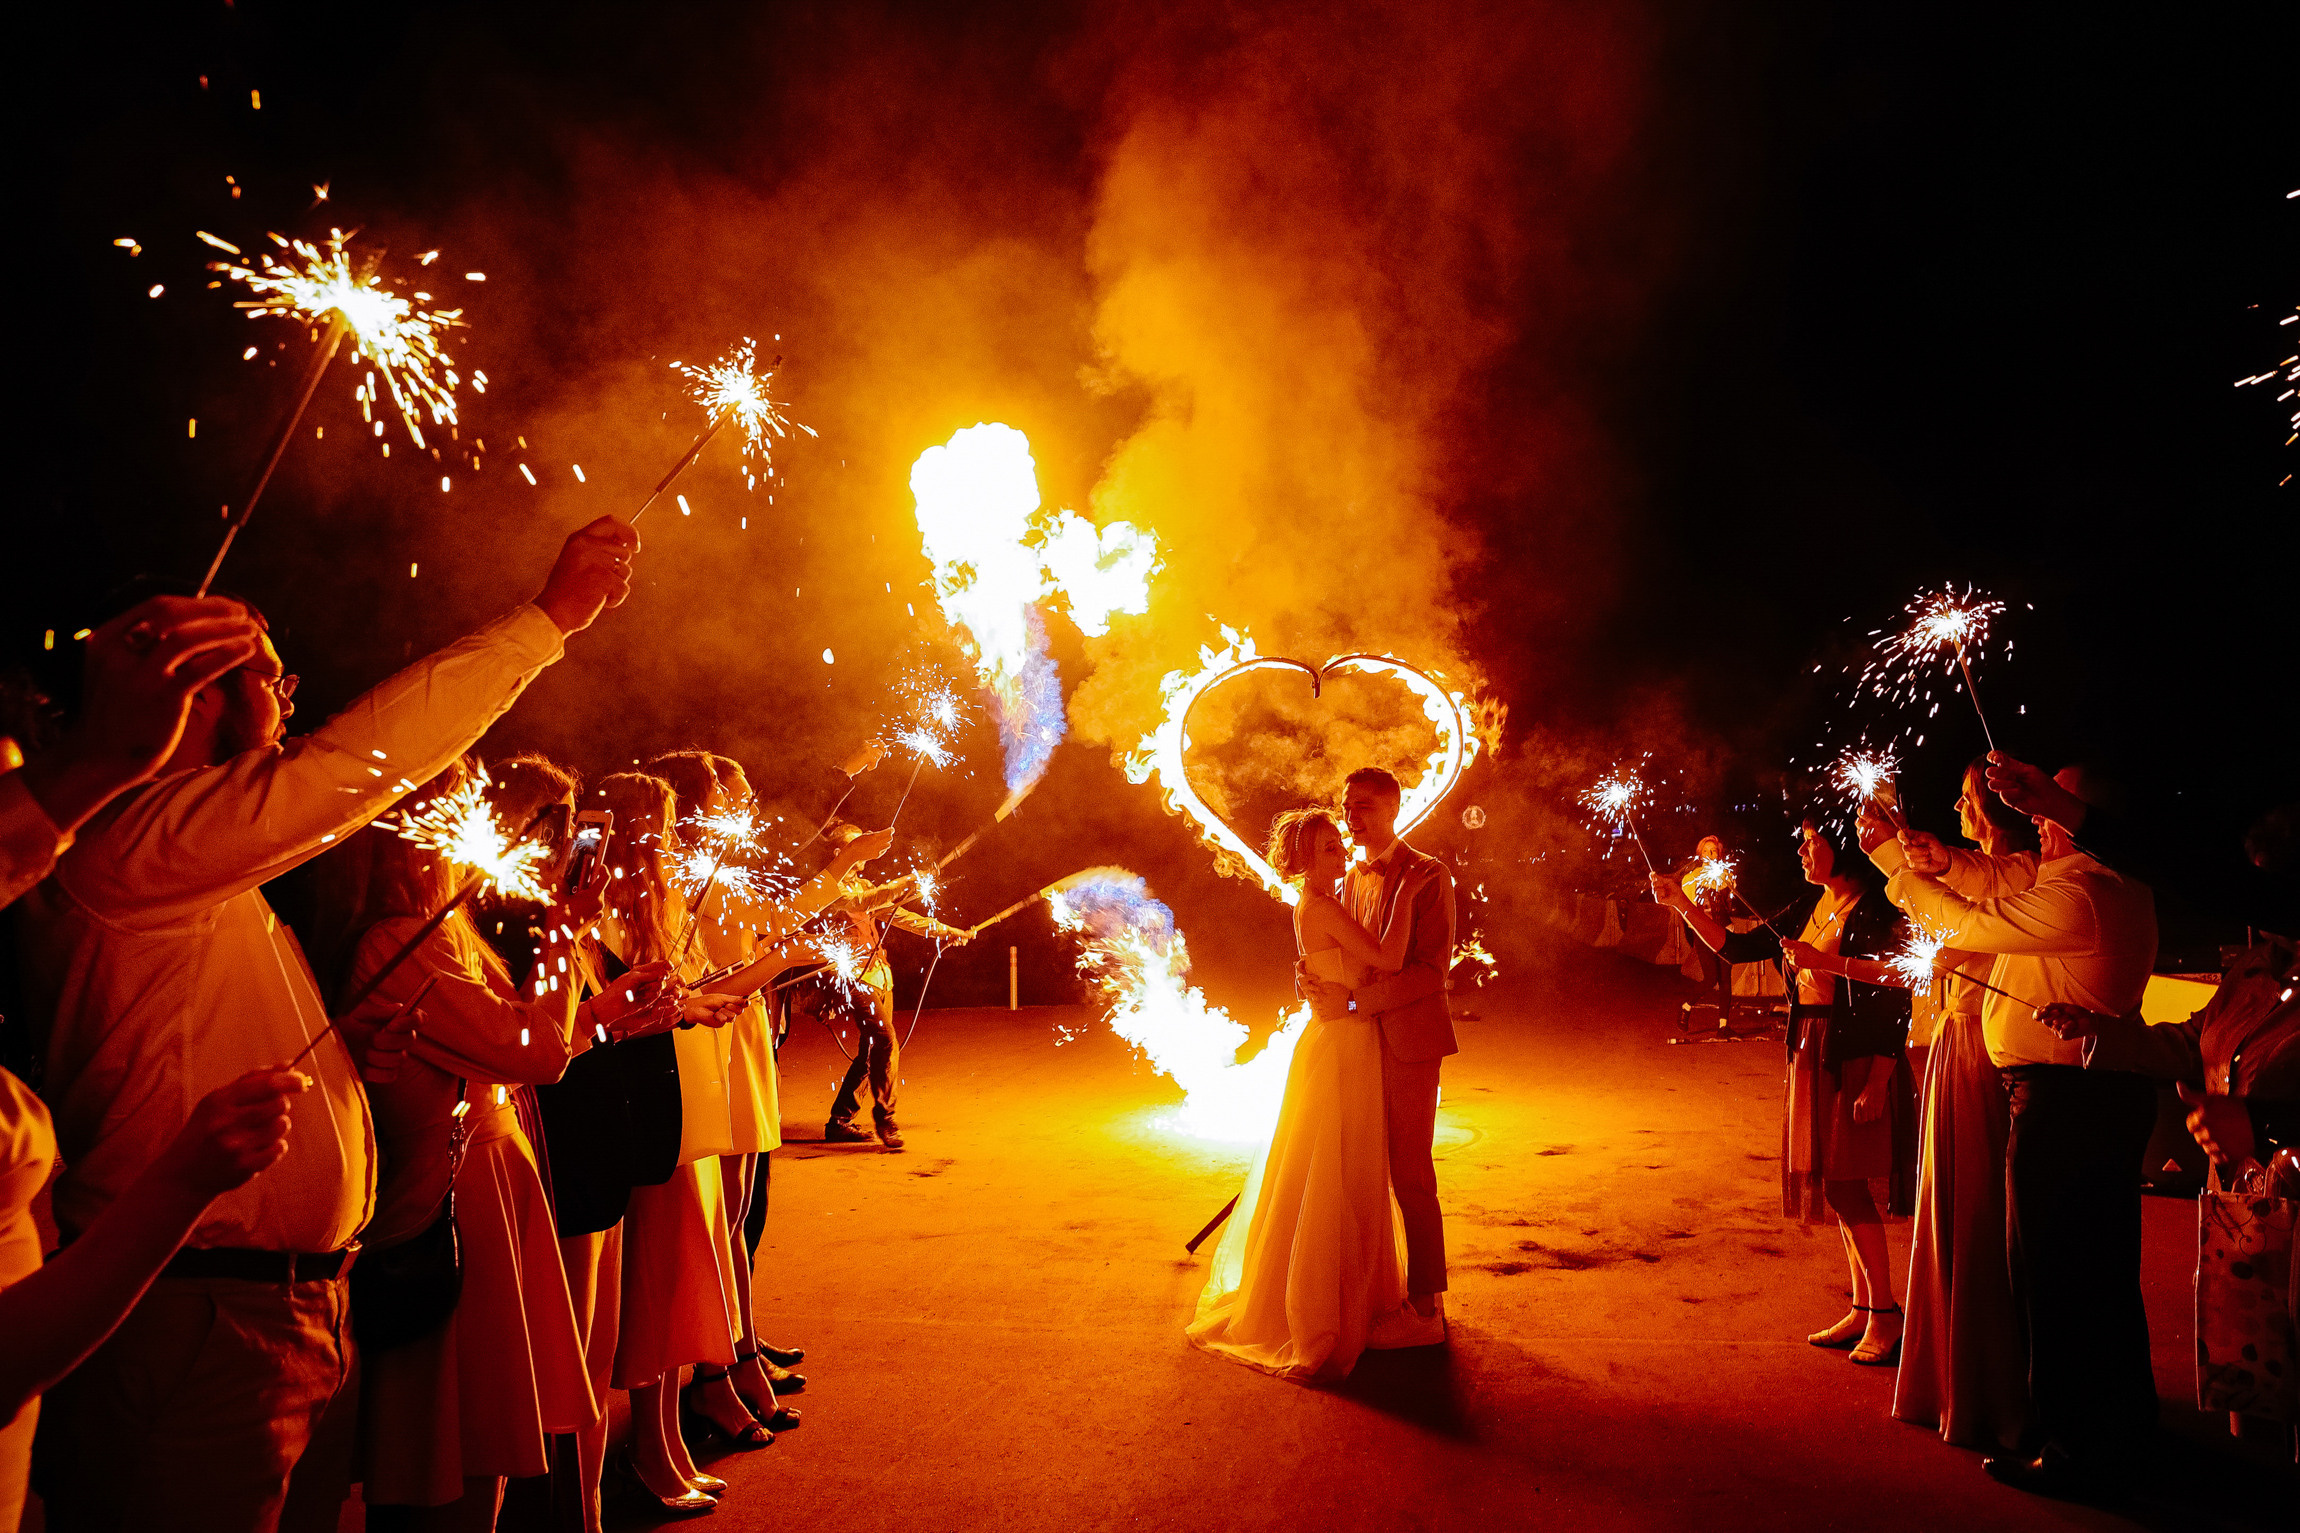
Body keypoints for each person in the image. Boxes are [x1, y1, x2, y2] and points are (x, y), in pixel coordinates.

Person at [17, 518, 638, 1533]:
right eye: (268, 670)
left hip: (277, 1310)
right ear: (190, 685)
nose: (291, 693)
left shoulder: (196, 868)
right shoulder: (132, 843)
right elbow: (350, 767)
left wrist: (356, 1070)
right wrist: (547, 620)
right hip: (198, 1315)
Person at [310, 758, 605, 1530]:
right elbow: (535, 1050)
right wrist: (566, 926)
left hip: (491, 1196)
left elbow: (541, 1040)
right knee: (445, 1457)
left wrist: (608, 1016)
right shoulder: (399, 945)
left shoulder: (451, 931)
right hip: (452, 1211)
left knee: (481, 1449)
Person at [1871, 764, 2159, 1495]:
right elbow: (2006, 876)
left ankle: (2073, 1451)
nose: (2033, 817)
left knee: (2059, 1282)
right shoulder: (2098, 877)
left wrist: (1894, 868)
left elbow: (1965, 921)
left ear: (2082, 817)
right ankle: (2118, 1433)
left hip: (2067, 1102)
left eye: (2053, 804)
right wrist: (1943, 860)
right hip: (2082, 1096)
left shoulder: (2084, 893)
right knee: (2096, 1282)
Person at [646, 754, 891, 1444]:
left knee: (734, 1225)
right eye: (737, 793)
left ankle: (741, 1349)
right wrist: (828, 893)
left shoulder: (717, 871)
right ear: (703, 802)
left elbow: (773, 925)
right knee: (714, 1231)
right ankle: (719, 1369)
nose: (749, 806)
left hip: (742, 1039)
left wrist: (809, 936)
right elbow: (758, 934)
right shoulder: (689, 879)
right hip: (711, 1049)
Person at [1655, 819, 1917, 1366]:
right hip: (1813, 1047)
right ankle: (1865, 1306)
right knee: (1834, 1184)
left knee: (1848, 1184)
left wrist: (1879, 1078)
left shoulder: (1876, 906)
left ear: (1841, 850)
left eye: (1813, 840)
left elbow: (1899, 985)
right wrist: (1681, 902)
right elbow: (1736, 947)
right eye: (1800, 838)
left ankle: (1888, 1314)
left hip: (1855, 1053)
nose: (1801, 849)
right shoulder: (1810, 903)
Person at [1189, 807, 1430, 1378]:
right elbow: (1389, 958)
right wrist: (1408, 895)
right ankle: (1317, 1305)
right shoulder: (1320, 905)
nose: (1340, 854)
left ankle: (1347, 1292)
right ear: (1303, 859)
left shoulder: (1331, 898)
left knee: (1340, 1167)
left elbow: (1342, 960)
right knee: (1329, 1169)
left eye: (1337, 844)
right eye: (1327, 849)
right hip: (1341, 1044)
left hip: (1343, 1037)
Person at [1860, 758, 2035, 1454]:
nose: (1959, 811)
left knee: (1977, 1218)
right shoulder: (1982, 871)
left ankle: (1989, 1385)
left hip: (1980, 1054)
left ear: (1996, 809)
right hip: (1955, 1046)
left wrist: (1890, 861)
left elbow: (1951, 917)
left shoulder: (2019, 875)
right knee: (1953, 1214)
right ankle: (1952, 1376)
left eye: (1967, 800)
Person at [588, 772, 752, 1511]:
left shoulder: (661, 899)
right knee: (651, 1296)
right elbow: (616, 1008)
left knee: (681, 1280)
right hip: (644, 1116)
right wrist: (681, 1006)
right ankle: (650, 1455)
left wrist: (697, 1002)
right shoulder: (599, 906)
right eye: (661, 821)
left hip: (687, 1104)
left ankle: (669, 1446)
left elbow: (668, 992)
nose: (675, 833)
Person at [1296, 767, 1457, 1347]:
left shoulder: (1429, 876)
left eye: (1363, 806)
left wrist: (1355, 1001)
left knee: (1410, 1175)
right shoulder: (1343, 880)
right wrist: (1314, 975)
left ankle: (1427, 1303)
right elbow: (1347, 950)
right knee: (1356, 1173)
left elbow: (1429, 974)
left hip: (1408, 1043)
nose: (1351, 816)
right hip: (1357, 1044)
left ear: (1393, 808)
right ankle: (1371, 1295)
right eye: (1346, 805)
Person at [796, 821, 971, 1152]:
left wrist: (946, 930)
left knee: (869, 1051)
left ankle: (839, 1121)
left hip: (878, 975)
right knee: (885, 1039)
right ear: (839, 853)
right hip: (848, 976)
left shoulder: (863, 883)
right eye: (856, 847)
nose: (864, 855)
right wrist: (906, 882)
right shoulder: (826, 888)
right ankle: (885, 1118)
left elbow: (899, 915)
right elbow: (864, 900)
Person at [1676, 834, 1737, 1021]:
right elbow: (1688, 910)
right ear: (1700, 855)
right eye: (1706, 851)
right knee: (1711, 979)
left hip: (1726, 930)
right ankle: (1686, 1006)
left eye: (1714, 851)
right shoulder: (1691, 878)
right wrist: (1695, 930)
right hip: (1704, 933)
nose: (1710, 854)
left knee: (1726, 980)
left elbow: (1731, 901)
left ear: (1719, 854)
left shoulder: (1727, 875)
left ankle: (1723, 1026)